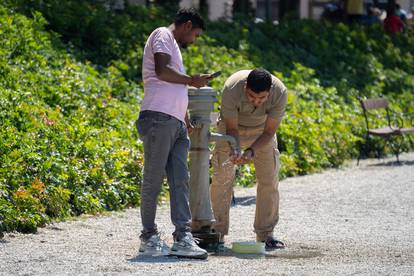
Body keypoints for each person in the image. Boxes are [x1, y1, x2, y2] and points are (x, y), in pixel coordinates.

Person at [136, 8, 211, 259]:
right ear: (187, 25)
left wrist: (185, 116)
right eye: (196, 35)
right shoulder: (162, 35)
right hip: (158, 117)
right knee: (153, 180)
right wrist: (191, 80)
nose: (194, 40)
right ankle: (148, 236)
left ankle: (183, 236)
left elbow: (173, 85)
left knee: (181, 180)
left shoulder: (174, 46)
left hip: (176, 122)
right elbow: (161, 71)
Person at [210, 69, 288, 251]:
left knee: (269, 180)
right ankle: (217, 232)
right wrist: (236, 150)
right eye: (252, 96)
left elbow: (270, 132)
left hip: (262, 132)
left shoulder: (280, 92)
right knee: (222, 179)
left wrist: (251, 151)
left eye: (262, 98)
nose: (256, 101)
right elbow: (231, 128)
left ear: (269, 91)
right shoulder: (232, 87)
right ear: (246, 87)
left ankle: (266, 234)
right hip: (231, 129)